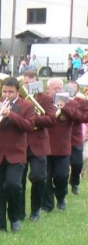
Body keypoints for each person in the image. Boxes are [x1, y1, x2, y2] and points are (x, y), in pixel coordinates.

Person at [0, 77, 36, 232]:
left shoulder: (27, 106)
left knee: (13, 185)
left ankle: (14, 217)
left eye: (11, 92)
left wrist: (10, 114)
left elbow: (29, 126)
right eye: (5, 91)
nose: (7, 95)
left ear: (17, 92)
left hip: (16, 153)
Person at [42, 78, 88, 211]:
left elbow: (81, 117)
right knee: (46, 177)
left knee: (61, 176)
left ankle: (61, 198)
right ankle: (47, 205)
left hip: (63, 146)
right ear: (48, 89)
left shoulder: (70, 103)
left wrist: (66, 108)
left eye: (59, 88)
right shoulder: (43, 102)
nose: (57, 91)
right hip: (45, 145)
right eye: (54, 88)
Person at [19, 69, 56, 222]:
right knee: (18, 181)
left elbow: (52, 119)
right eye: (25, 83)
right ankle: (19, 212)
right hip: (20, 143)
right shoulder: (19, 98)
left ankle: (36, 210)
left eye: (31, 82)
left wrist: (31, 119)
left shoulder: (45, 98)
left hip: (39, 143)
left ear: (37, 81)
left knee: (39, 177)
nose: (28, 85)